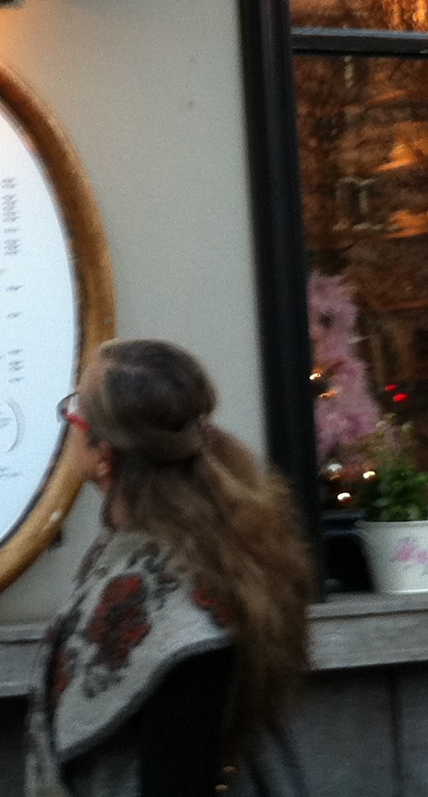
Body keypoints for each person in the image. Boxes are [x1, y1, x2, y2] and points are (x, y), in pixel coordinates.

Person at [28, 339, 313, 797]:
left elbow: (177, 775)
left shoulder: (182, 606)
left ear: (104, 455)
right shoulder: (177, 553)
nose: (67, 419)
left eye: (75, 409)